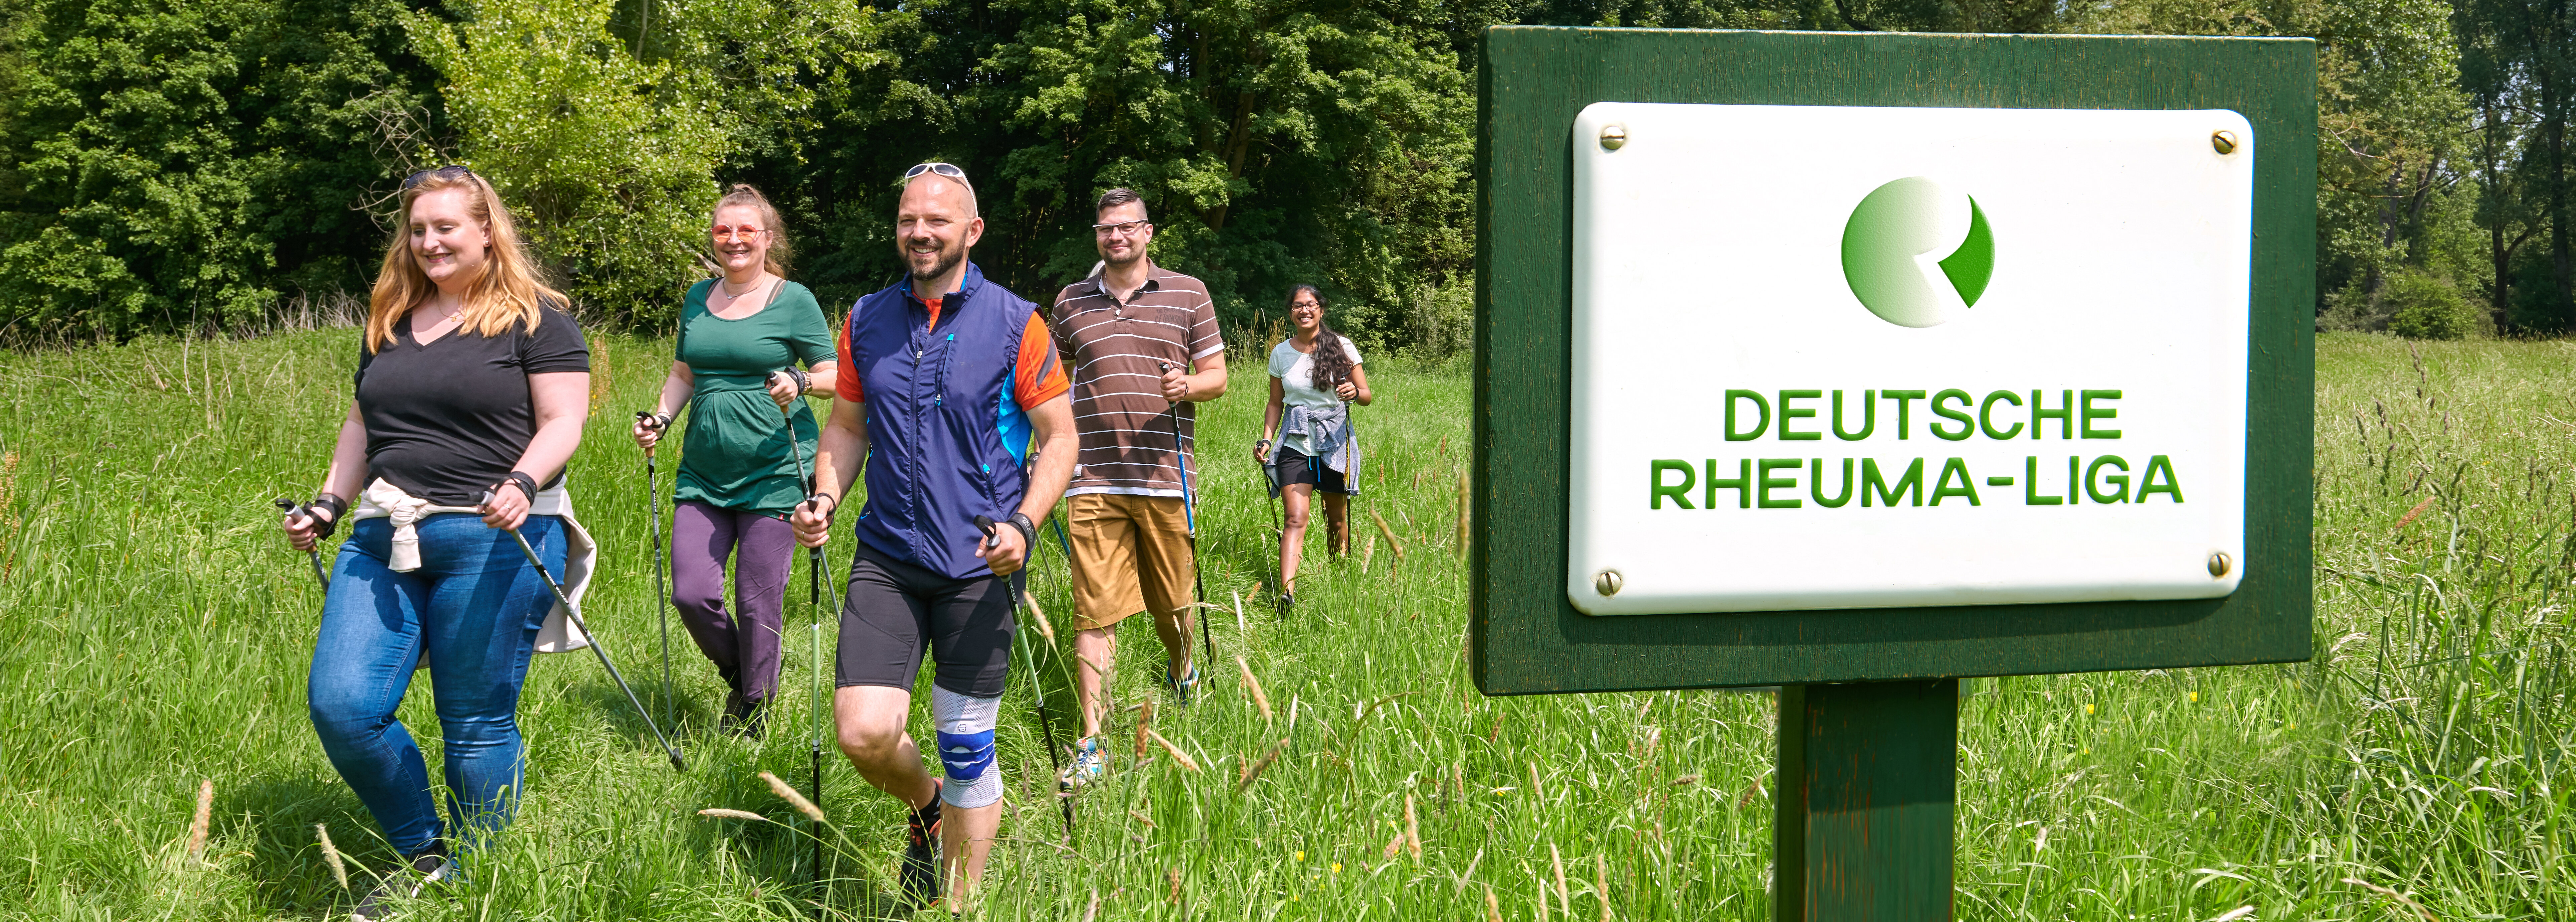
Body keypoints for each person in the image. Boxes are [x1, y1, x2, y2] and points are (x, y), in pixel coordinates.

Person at [279, 166, 591, 921]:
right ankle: (427, 853)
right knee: (344, 706)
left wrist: (521, 482)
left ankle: (482, 880)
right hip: (385, 532)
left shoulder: (537, 320)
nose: (430, 242)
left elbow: (563, 422)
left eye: (447, 227)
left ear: (488, 230)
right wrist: (328, 504)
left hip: (497, 534)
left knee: (475, 718)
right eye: (418, 229)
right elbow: (362, 425)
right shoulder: (389, 317)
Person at [789, 162, 1075, 912]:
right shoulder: (867, 319)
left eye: (937, 221)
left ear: (971, 232)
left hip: (981, 560)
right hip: (888, 554)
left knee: (966, 742)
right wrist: (824, 496)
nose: (919, 232)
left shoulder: (1017, 322)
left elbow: (1061, 438)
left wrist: (1025, 522)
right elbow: (847, 427)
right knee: (862, 734)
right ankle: (927, 808)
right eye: (908, 218)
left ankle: (959, 904)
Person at [632, 184, 837, 738]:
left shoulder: (793, 299)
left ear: (768, 239)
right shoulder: (698, 298)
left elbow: (834, 374)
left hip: (775, 473)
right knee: (691, 592)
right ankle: (745, 675)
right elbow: (683, 374)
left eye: (747, 230)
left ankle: (753, 714)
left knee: (756, 604)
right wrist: (659, 420)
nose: (734, 240)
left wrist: (799, 380)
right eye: (723, 230)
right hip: (703, 473)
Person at [1046, 187, 1227, 787]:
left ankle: (1182, 673)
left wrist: (1189, 387)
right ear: (1096, 236)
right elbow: (1056, 383)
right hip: (1091, 477)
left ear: (1148, 232)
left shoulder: (1188, 293)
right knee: (1092, 612)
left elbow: (1218, 377)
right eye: (1105, 229)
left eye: (1126, 227)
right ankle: (1091, 742)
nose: (1115, 237)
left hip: (1164, 478)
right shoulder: (1070, 303)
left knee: (1173, 605)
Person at [1253, 284, 1370, 616]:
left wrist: (1351, 391)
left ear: (1321, 309)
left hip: (1334, 440)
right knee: (1295, 518)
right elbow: (1276, 403)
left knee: (1335, 520)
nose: (1303, 311)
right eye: (1296, 306)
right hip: (1295, 440)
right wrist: (1266, 438)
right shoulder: (1280, 353)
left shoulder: (1341, 346)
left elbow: (1366, 395)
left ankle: (1339, 578)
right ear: (1290, 312)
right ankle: (1286, 594)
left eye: (1310, 305)